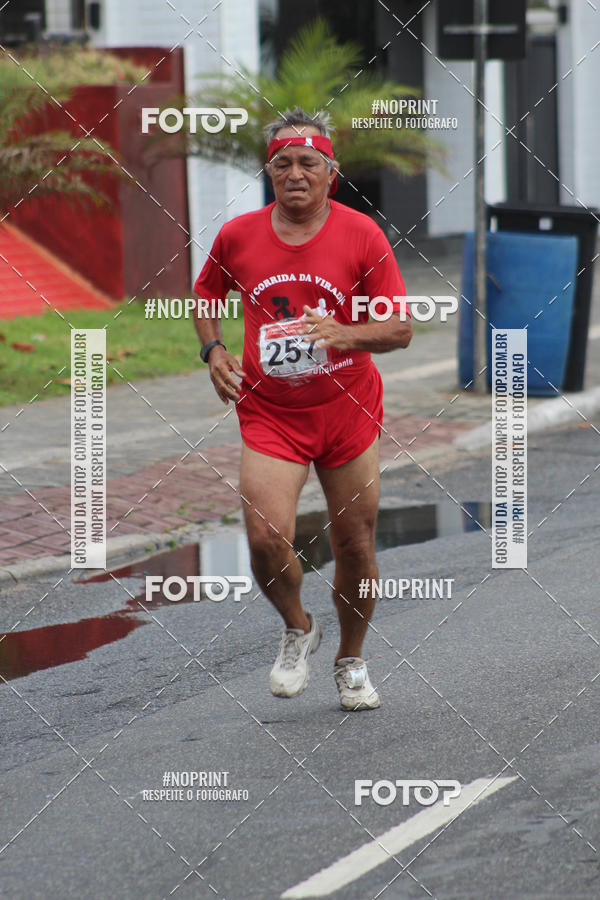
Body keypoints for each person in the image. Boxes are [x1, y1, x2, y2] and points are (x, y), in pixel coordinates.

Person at [193, 107, 411, 710]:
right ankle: (299, 626)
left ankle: (351, 658)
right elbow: (206, 291)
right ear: (269, 172)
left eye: (308, 163)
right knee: (263, 538)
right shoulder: (238, 236)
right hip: (272, 415)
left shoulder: (361, 235)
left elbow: (400, 329)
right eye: (282, 163)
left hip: (346, 411)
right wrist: (212, 347)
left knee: (356, 545)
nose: (295, 173)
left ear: (329, 173)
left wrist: (343, 334)